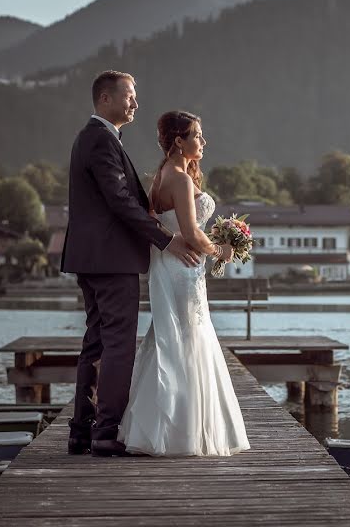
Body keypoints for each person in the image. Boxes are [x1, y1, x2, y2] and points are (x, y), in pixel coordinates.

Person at [61, 71, 203, 457]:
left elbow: (121, 199)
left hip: (93, 258)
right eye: (129, 96)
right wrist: (166, 238)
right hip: (111, 259)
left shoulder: (97, 139)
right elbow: (118, 201)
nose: (135, 104)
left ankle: (81, 430)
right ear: (105, 99)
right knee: (118, 345)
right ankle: (106, 431)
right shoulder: (100, 139)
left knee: (95, 342)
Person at [117, 110, 250, 456]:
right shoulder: (180, 178)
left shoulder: (162, 174)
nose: (203, 142)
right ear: (179, 141)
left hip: (169, 265)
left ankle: (156, 428)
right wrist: (221, 249)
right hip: (183, 266)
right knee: (188, 337)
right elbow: (191, 233)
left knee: (168, 337)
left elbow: (159, 222)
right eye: (197, 136)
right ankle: (184, 433)